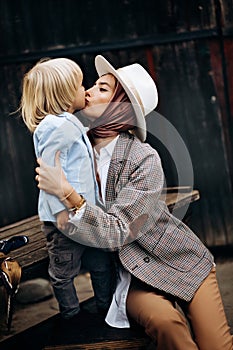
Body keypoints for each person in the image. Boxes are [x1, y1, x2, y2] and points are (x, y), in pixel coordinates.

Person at [35, 55, 233, 350]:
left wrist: (68, 194)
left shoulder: (143, 158)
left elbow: (118, 231)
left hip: (180, 260)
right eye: (92, 85)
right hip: (132, 276)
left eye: (102, 89)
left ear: (120, 106)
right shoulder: (75, 145)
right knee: (168, 326)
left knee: (216, 345)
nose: (88, 91)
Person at [19, 57, 114, 321]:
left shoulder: (67, 122)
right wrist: (61, 208)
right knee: (64, 271)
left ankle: (105, 309)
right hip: (65, 218)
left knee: (100, 264)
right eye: (79, 85)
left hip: (83, 212)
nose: (85, 89)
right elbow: (49, 164)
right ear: (63, 94)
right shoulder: (56, 125)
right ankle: (71, 316)